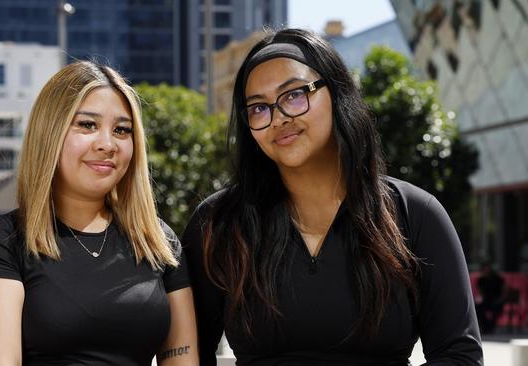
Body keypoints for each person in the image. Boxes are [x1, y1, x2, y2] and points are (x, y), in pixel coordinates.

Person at [182, 28, 483, 365]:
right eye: (257, 108)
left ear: (337, 93)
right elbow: (186, 352)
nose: (278, 117)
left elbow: (459, 355)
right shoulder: (219, 222)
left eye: (294, 95)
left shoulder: (414, 213)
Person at [0, 61, 198, 365]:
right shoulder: (2, 242)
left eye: (122, 130)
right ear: (50, 133)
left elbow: (182, 358)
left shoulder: (157, 240)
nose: (107, 144)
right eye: (87, 125)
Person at [475, 262, 506, 334]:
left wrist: (502, 299)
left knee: (495, 307)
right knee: (477, 307)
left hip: (497, 299)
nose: (486, 271)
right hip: (486, 300)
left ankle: (491, 327)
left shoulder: (497, 278)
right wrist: (479, 299)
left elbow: (504, 289)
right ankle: (485, 327)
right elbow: (480, 293)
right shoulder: (481, 280)